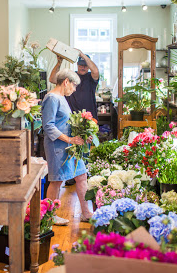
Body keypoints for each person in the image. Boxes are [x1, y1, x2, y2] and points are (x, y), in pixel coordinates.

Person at [42, 68, 93, 225]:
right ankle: (50, 216)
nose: (75, 89)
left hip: (70, 146)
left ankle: (86, 213)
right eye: (74, 85)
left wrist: (83, 135)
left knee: (81, 175)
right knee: (57, 181)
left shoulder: (62, 98)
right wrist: (70, 140)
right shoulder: (52, 98)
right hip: (57, 147)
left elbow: (65, 123)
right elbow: (48, 126)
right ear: (66, 82)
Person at [49, 51, 99, 186]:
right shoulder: (71, 78)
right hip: (71, 120)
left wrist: (83, 56)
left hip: (88, 120)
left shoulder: (91, 78)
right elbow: (53, 79)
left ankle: (83, 174)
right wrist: (59, 62)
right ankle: (74, 175)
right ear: (77, 65)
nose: (83, 67)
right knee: (72, 148)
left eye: (85, 65)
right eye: (81, 64)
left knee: (85, 147)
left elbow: (96, 70)